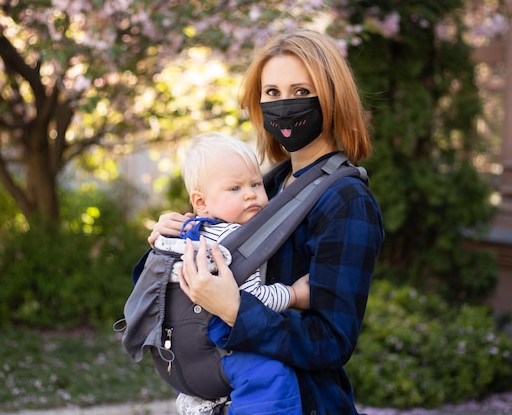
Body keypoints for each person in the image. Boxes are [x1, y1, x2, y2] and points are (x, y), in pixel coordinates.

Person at [147, 29, 385, 415]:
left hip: (302, 403)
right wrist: (167, 243)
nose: (285, 105)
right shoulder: (265, 188)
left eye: (301, 92)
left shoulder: (346, 202)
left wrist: (237, 310)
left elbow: (331, 341)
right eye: (272, 93)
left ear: (332, 98)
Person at [155, 131, 310, 415]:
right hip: (211, 353)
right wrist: (294, 294)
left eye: (255, 183)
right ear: (200, 202)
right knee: (273, 373)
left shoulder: (190, 233)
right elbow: (250, 300)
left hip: (177, 360)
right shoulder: (231, 243)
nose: (250, 193)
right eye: (235, 189)